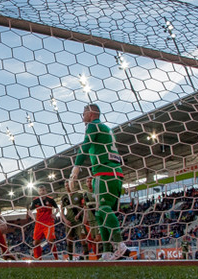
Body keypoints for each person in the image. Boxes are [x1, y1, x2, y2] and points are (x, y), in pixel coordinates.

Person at [68, 103, 130, 260]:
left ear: (91, 113)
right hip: (116, 174)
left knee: (102, 209)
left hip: (105, 173)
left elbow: (85, 146)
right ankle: (108, 252)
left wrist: (76, 168)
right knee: (101, 213)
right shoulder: (107, 129)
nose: (82, 117)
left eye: (83, 113)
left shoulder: (93, 126)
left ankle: (120, 245)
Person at [28, 184, 59, 260]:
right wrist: (33, 218)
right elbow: (29, 211)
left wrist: (54, 214)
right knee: (36, 243)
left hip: (48, 223)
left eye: (43, 190)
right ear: (38, 192)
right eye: (40, 191)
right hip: (39, 223)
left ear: (46, 191)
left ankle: (56, 258)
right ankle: (38, 259)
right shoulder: (35, 200)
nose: (42, 192)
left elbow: (57, 209)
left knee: (51, 241)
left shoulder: (50, 199)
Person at [60, 187, 88, 260]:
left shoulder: (79, 195)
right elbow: (61, 211)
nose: (67, 186)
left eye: (68, 185)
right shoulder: (64, 197)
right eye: (65, 185)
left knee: (83, 238)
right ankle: (70, 259)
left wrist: (80, 214)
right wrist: (65, 220)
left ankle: (87, 259)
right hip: (69, 221)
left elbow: (85, 207)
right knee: (69, 241)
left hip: (79, 221)